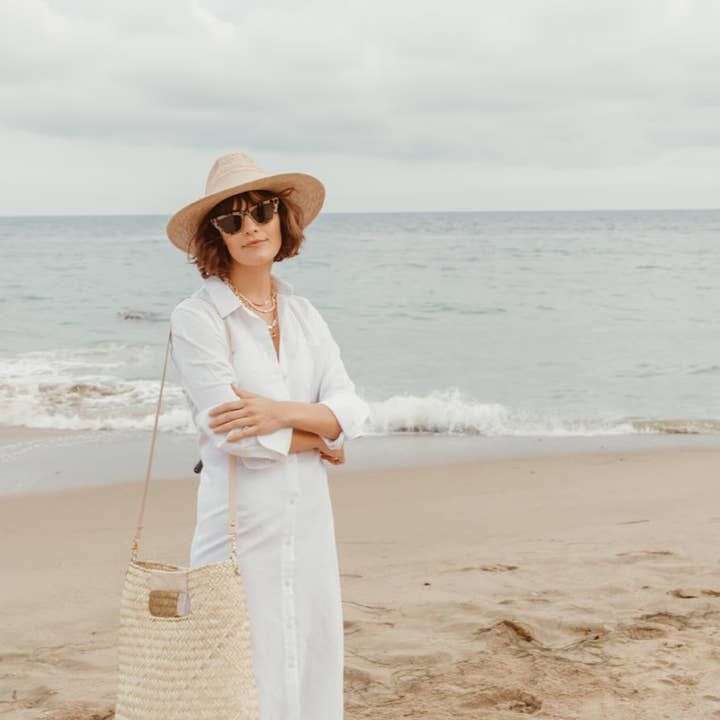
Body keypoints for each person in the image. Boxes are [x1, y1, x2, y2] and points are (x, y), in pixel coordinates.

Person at [166, 151, 371, 720]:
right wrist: (322, 435)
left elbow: (353, 406)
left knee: (310, 660)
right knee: (235, 678)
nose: (251, 226)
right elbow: (239, 439)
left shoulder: (304, 314)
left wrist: (283, 412)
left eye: (262, 211)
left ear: (283, 219)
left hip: (307, 522)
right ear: (218, 237)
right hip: (238, 528)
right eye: (232, 219)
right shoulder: (199, 318)